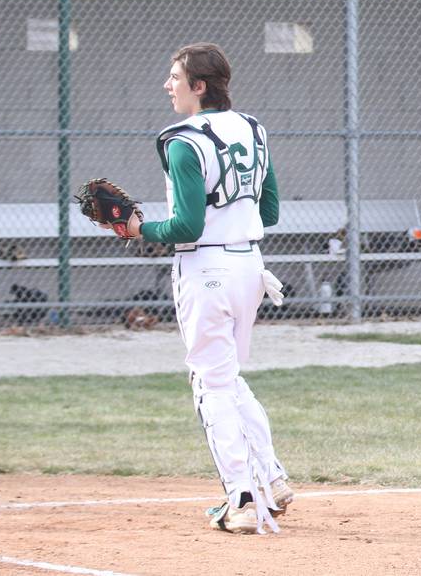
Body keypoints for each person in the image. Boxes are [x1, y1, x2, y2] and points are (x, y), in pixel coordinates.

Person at [114, 42, 293, 533]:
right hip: (250, 267)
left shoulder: (181, 140)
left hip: (205, 269)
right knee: (229, 377)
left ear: (200, 86)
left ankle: (238, 498)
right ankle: (271, 478)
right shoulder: (253, 128)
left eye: (176, 77)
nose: (168, 85)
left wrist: (138, 230)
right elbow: (270, 212)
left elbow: (186, 226)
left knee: (208, 383)